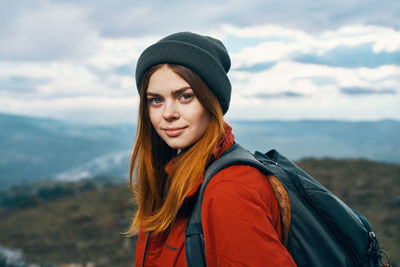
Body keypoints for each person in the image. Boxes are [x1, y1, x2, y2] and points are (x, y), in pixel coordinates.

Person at [127, 32, 296, 266]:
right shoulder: (177, 178)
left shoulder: (229, 190)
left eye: (185, 96)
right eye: (156, 100)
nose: (168, 113)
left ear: (212, 101)